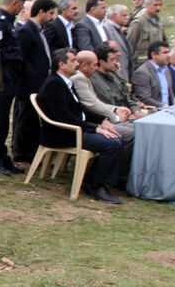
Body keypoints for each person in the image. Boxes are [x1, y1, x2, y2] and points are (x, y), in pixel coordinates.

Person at [37, 48, 127, 204]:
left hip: (75, 130)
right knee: (113, 144)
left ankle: (95, 180)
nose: (77, 64)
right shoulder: (54, 84)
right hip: (64, 134)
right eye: (73, 61)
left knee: (118, 140)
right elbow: (64, 117)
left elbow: (80, 108)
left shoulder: (66, 82)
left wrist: (102, 120)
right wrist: (95, 128)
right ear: (62, 65)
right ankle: (96, 184)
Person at [0, 0, 29, 176]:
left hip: (10, 79)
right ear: (15, 3)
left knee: (4, 121)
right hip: (1, 80)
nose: (23, 9)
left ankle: (2, 156)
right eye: (22, 5)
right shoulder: (0, 23)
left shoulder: (9, 22)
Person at [12, 0, 56, 170]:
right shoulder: (26, 31)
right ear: (41, 11)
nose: (52, 17)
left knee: (34, 123)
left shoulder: (39, 30)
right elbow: (19, 58)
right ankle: (20, 155)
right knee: (25, 121)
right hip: (28, 86)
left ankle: (32, 154)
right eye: (50, 13)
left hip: (39, 86)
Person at [71, 49, 135, 142]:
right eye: (95, 65)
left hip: (99, 120)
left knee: (136, 129)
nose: (96, 68)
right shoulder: (78, 78)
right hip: (93, 123)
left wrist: (116, 109)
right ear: (85, 65)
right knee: (132, 134)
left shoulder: (83, 77)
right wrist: (116, 117)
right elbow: (92, 104)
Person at [88, 43, 147, 140]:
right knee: (136, 133)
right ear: (102, 62)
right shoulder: (93, 79)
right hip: (111, 119)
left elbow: (128, 98)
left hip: (127, 115)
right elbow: (100, 105)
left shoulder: (114, 75)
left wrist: (136, 111)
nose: (116, 63)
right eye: (112, 60)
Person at [126, 0, 167, 75]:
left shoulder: (158, 24)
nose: (158, 8)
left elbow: (164, 44)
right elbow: (129, 46)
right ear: (147, 5)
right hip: (141, 67)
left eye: (160, 5)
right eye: (155, 5)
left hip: (157, 67)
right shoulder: (138, 23)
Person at [131, 41, 175, 107]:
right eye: (165, 53)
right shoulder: (143, 72)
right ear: (154, 54)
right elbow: (145, 98)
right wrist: (165, 107)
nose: (169, 55)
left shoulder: (166, 70)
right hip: (153, 111)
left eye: (169, 52)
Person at [102, 4, 133, 82]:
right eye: (124, 15)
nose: (127, 18)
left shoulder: (118, 29)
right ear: (115, 16)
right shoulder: (106, 29)